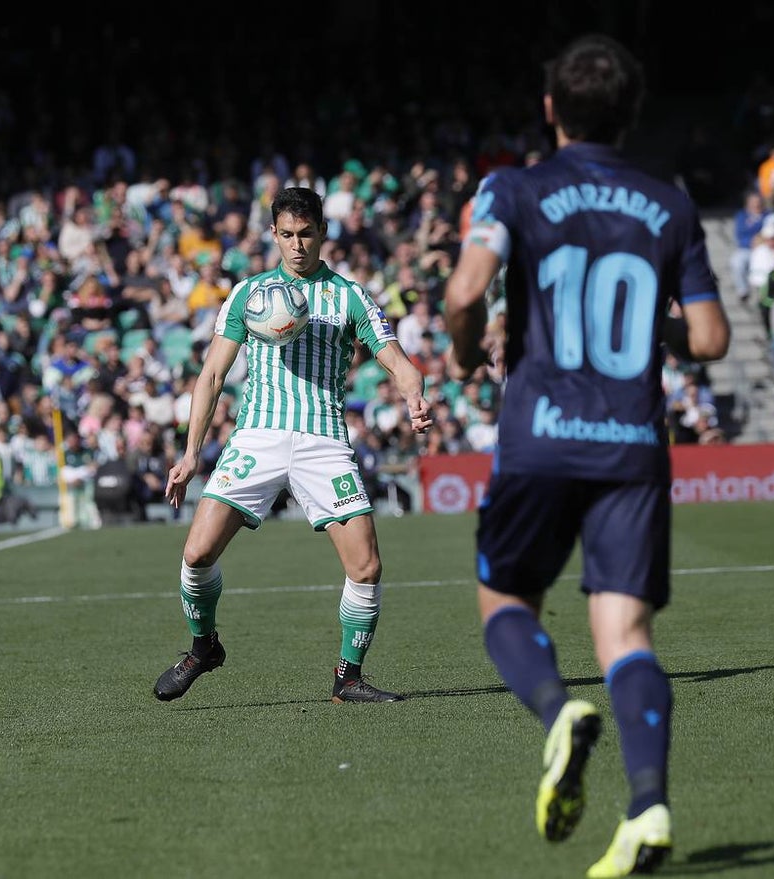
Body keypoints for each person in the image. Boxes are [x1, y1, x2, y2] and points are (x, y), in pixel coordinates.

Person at [442, 34, 730, 878]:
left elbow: (464, 292)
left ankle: (559, 713)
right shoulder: (669, 203)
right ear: (632, 113)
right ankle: (648, 809)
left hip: (540, 435)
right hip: (633, 441)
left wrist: (463, 353)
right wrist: (655, 327)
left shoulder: (513, 187)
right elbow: (709, 336)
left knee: (505, 603)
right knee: (627, 632)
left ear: (549, 110)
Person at [153, 186, 433, 705]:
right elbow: (212, 374)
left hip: (323, 440)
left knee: (366, 567)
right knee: (196, 554)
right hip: (257, 436)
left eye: (307, 235)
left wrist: (414, 393)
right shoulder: (250, 294)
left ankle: (347, 677)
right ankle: (203, 647)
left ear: (324, 233)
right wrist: (192, 452)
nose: (298, 245)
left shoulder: (348, 295)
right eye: (287, 235)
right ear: (274, 235)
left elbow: (395, 357)